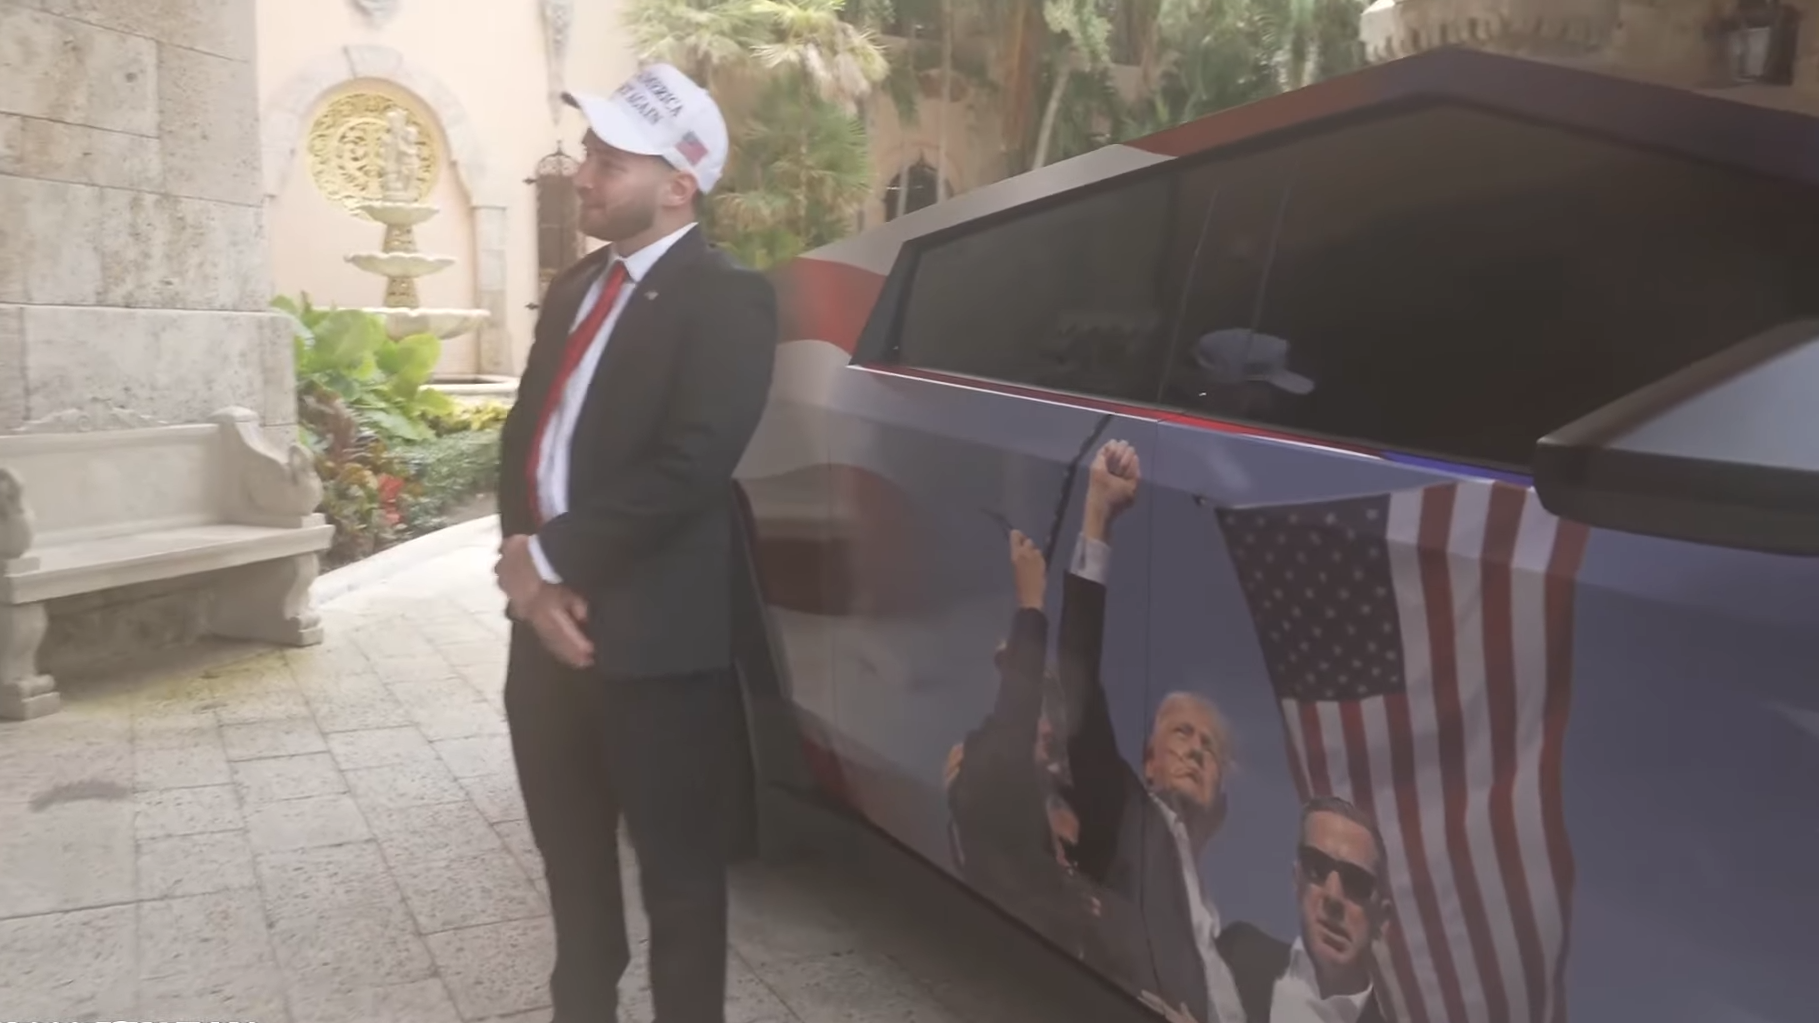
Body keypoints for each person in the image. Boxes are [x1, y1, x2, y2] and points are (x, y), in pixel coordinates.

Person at [491, 62, 778, 1023]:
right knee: (571, 872)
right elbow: (525, 440)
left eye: (609, 160)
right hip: (544, 645)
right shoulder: (577, 287)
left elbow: (689, 469)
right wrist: (528, 577)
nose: (582, 174)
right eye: (587, 153)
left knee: (681, 886)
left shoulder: (729, 299)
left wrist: (555, 564)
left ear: (679, 184)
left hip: (658, 651)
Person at [1059, 439, 1248, 1023]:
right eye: (1182, 735)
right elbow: (1079, 686)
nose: (1195, 750)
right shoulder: (1126, 817)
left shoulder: (1224, 930)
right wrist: (1097, 517)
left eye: (1209, 748)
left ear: (1223, 796)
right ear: (1147, 763)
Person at [1217, 796, 1397, 1023]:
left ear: (1382, 919)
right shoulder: (1235, 957)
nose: (1333, 896)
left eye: (1356, 881)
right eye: (1316, 868)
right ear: (1297, 880)